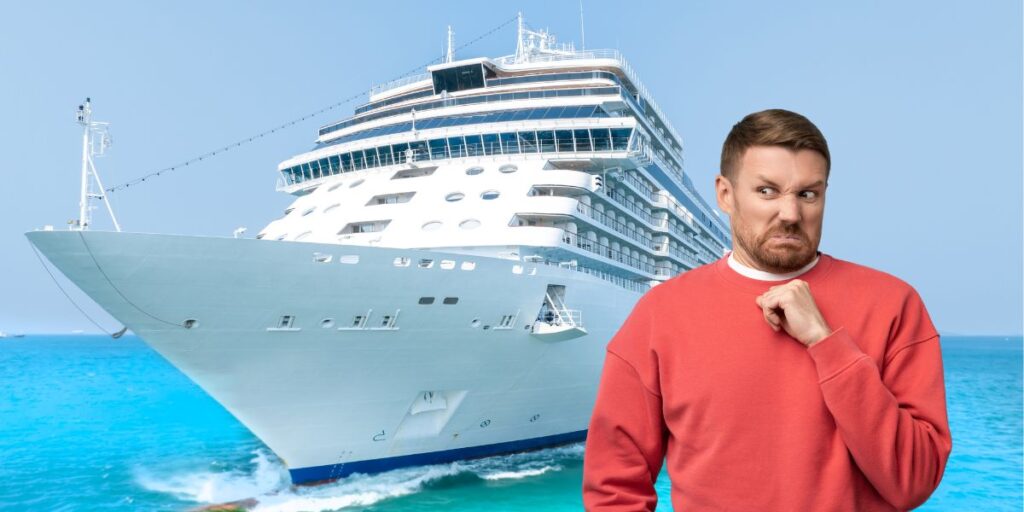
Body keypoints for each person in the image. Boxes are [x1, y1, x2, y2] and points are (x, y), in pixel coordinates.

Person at [582, 109, 952, 511]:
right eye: (767, 191)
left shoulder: (894, 304)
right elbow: (613, 489)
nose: (791, 214)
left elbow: (914, 481)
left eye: (807, 194)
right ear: (725, 194)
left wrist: (828, 345)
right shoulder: (660, 314)